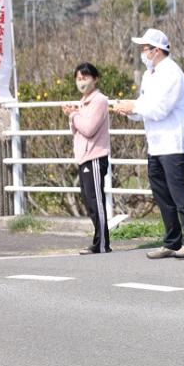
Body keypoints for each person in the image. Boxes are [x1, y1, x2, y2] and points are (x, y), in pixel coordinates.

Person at [110, 28, 184, 259]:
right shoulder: (150, 74)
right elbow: (144, 106)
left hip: (174, 144)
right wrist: (129, 110)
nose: (143, 53)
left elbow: (160, 109)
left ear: (157, 50)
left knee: (178, 193)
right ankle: (172, 241)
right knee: (162, 195)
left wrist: (135, 107)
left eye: (145, 48)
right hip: (157, 144)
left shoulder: (172, 73)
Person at [62, 63, 111, 255]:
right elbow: (76, 129)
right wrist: (73, 114)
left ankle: (102, 243)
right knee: (90, 201)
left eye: (85, 77)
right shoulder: (83, 102)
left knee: (95, 200)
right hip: (84, 157)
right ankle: (99, 242)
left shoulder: (99, 101)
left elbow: (89, 129)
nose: (81, 82)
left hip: (95, 156)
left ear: (95, 79)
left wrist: (72, 114)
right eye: (78, 78)